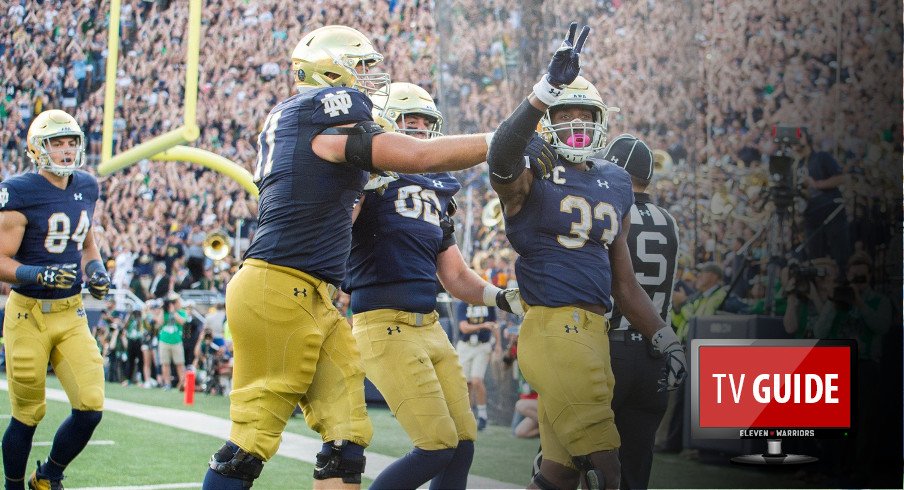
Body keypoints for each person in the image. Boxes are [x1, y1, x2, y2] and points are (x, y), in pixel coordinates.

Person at [202, 25, 498, 490]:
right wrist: (502, 138)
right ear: (329, 71)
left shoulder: (321, 130)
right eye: (361, 68)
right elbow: (417, 156)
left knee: (348, 435)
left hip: (315, 294)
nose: (371, 79)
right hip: (277, 284)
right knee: (252, 440)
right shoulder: (314, 114)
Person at [485, 23, 687, 490]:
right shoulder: (531, 174)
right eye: (564, 111)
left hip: (596, 334)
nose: (576, 120)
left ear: (601, 120)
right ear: (547, 121)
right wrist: (543, 91)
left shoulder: (615, 181)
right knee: (608, 470)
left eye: (585, 111)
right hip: (554, 329)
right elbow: (499, 158)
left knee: (559, 474)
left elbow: (625, 284)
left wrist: (664, 337)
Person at [343, 81, 524, 490]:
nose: (421, 129)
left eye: (427, 122)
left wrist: (502, 297)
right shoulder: (363, 177)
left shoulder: (436, 190)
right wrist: (353, 189)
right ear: (388, 123)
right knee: (436, 446)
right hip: (384, 324)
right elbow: (333, 233)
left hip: (429, 326)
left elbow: (455, 275)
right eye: (411, 120)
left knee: (462, 443)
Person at [0, 109, 111, 490]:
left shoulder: (86, 185)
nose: (65, 151)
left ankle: (47, 476)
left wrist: (96, 270)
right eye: (56, 143)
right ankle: (13, 486)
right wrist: (35, 273)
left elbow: (87, 244)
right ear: (37, 148)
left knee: (91, 404)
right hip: (28, 314)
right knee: (27, 413)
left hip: (70, 312)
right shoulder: (20, 190)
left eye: (71, 143)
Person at [601, 135, 680, 489]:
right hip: (654, 354)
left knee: (576, 460)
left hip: (610, 349)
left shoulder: (610, 214)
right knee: (636, 469)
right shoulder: (669, 221)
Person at [794, 129, 849, 271]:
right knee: (815, 256)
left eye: (799, 136)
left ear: (808, 139)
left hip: (830, 209)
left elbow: (841, 178)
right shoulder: (798, 165)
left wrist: (816, 184)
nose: (796, 140)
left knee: (840, 253)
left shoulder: (821, 157)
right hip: (811, 214)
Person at [456, 300, 501, 431]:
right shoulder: (463, 304)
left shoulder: (488, 304)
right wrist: (482, 325)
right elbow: (463, 327)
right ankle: (467, 416)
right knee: (466, 383)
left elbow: (495, 325)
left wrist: (498, 344)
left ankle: (482, 415)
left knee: (476, 380)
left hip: (482, 345)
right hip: (465, 346)